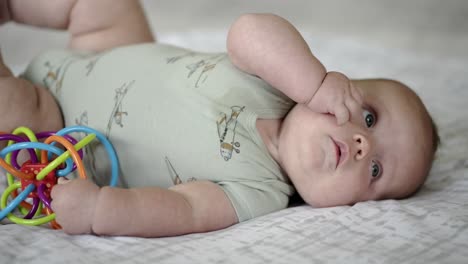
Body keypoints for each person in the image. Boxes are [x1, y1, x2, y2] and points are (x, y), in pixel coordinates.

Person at [0, 0, 439, 237]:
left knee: (11, 103)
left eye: (377, 170)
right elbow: (248, 30)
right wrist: (314, 82)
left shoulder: (260, 192)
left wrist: (102, 209)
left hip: (58, 123)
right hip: (110, 52)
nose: (363, 144)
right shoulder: (283, 82)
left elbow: (183, 209)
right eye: (368, 115)